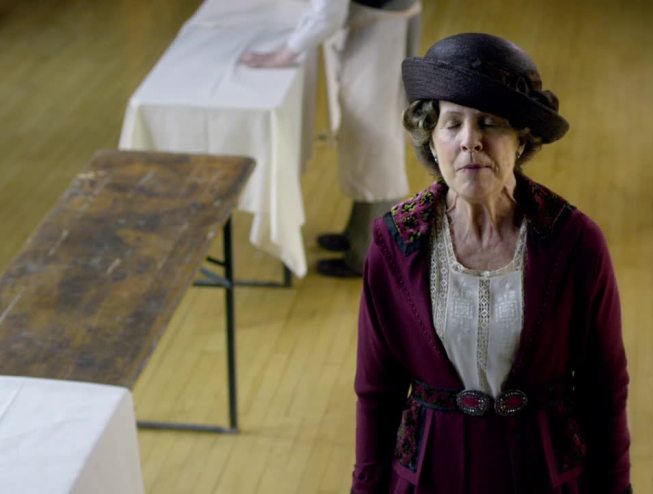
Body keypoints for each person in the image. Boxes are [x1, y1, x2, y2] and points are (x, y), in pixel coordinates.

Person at [351, 33, 632, 493]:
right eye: (452, 124)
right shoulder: (393, 245)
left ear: (521, 140)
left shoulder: (577, 244)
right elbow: (376, 394)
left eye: (490, 123)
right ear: (432, 139)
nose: (470, 142)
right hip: (430, 479)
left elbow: (605, 391)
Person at [239, 0, 422, 278]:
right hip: (382, 19)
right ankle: (358, 233)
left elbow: (328, 15)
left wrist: (283, 54)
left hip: (383, 29)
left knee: (376, 144)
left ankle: (369, 256)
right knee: (368, 141)